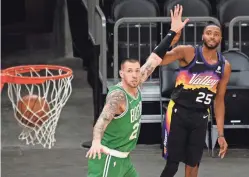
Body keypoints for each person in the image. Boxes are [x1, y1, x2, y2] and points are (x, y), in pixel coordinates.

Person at [86, 4, 189, 177]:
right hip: (108, 158)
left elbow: (155, 58)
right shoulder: (118, 96)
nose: (135, 75)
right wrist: (96, 141)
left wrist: (172, 33)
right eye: (129, 71)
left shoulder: (138, 82)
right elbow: (102, 120)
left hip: (124, 159)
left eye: (136, 70)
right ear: (121, 74)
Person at [140, 17, 231, 177]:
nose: (212, 37)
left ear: (221, 39)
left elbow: (219, 100)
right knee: (172, 165)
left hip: (200, 117)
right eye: (208, 33)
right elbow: (157, 60)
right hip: (178, 113)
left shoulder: (224, 66)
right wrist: (171, 37)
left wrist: (221, 134)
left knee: (193, 165)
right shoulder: (187, 52)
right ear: (203, 36)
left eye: (216, 34)